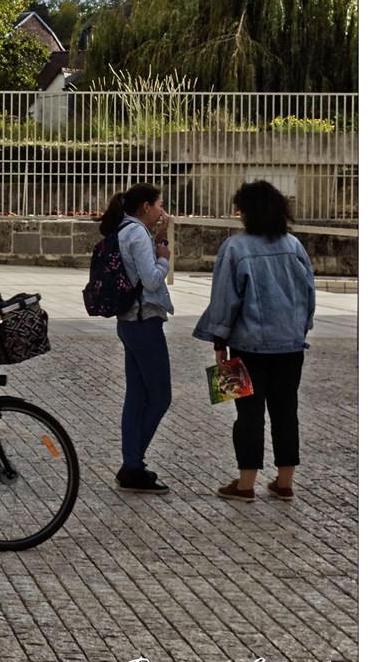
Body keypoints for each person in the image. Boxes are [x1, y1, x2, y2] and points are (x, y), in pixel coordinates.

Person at [192, 179, 315, 502]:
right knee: (286, 411)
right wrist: (301, 328)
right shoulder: (294, 245)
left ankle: (245, 484)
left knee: (248, 414)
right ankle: (285, 482)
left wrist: (219, 342)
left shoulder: (236, 248)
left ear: (246, 212)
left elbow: (225, 300)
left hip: (247, 346)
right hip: (290, 345)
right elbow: (309, 293)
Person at [101, 181, 174, 494]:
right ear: (146, 206)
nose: (161, 210)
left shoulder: (125, 229)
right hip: (145, 322)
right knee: (160, 396)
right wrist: (164, 257)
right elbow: (151, 280)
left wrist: (157, 238)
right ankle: (132, 464)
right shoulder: (136, 234)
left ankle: (132, 464)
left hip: (129, 322)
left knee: (136, 396)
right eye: (158, 205)